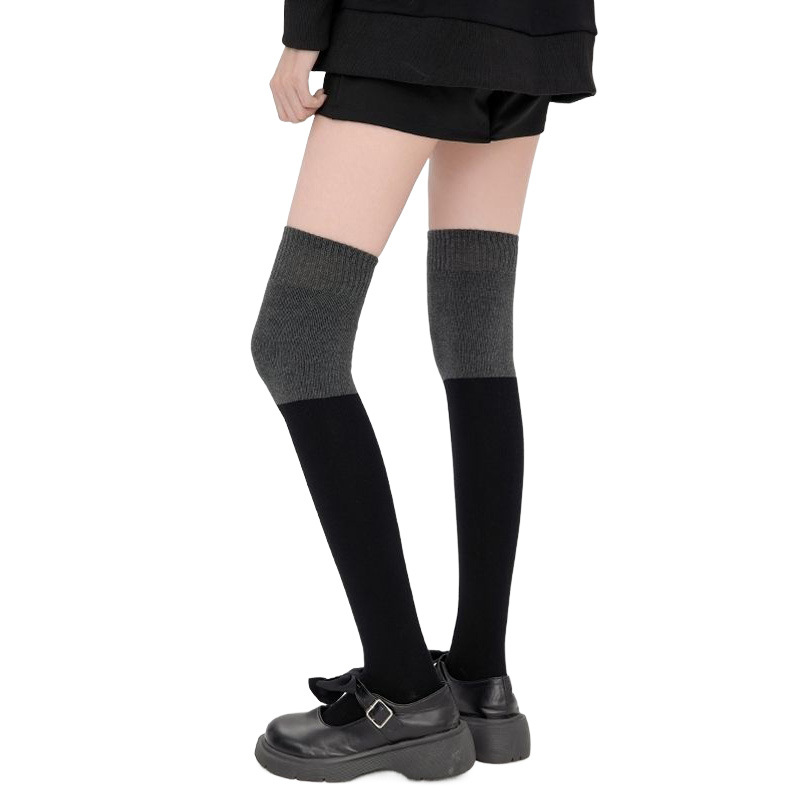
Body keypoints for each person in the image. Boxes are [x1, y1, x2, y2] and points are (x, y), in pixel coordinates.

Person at [251, 0, 597, 782]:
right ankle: (480, 678)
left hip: (408, 27)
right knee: (476, 343)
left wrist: (303, 34)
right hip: (527, 35)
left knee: (296, 344)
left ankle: (404, 691)